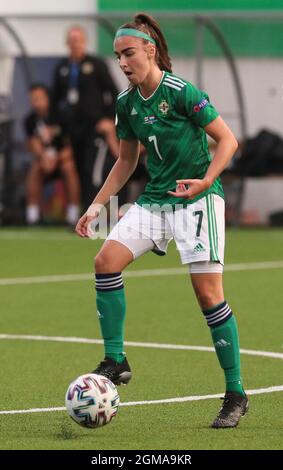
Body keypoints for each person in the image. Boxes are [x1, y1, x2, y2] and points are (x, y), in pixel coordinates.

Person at [75, 13, 248, 429]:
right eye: (117, 56)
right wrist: (97, 206)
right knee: (105, 262)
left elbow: (228, 140)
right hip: (156, 201)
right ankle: (116, 359)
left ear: (150, 51)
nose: (122, 63)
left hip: (198, 201)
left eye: (129, 53)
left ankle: (236, 392)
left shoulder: (182, 91)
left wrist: (206, 180)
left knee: (209, 297)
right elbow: (127, 161)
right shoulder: (126, 104)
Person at [52, 26, 120, 209]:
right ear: (67, 43)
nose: (75, 44)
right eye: (72, 40)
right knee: (74, 170)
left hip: (94, 128)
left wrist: (108, 119)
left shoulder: (96, 65)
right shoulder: (62, 68)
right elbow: (55, 99)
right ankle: (77, 212)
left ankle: (95, 212)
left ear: (85, 42)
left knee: (93, 170)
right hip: (72, 129)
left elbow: (114, 93)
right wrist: (56, 127)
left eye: (78, 40)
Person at [24, 83, 80, 226]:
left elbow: (69, 147)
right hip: (44, 161)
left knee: (69, 167)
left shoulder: (61, 116)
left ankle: (73, 215)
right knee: (35, 168)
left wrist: (56, 159)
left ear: (47, 98)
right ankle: (32, 216)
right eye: (32, 99)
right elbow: (33, 144)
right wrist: (44, 158)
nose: (35, 102)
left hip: (62, 159)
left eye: (38, 98)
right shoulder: (30, 120)